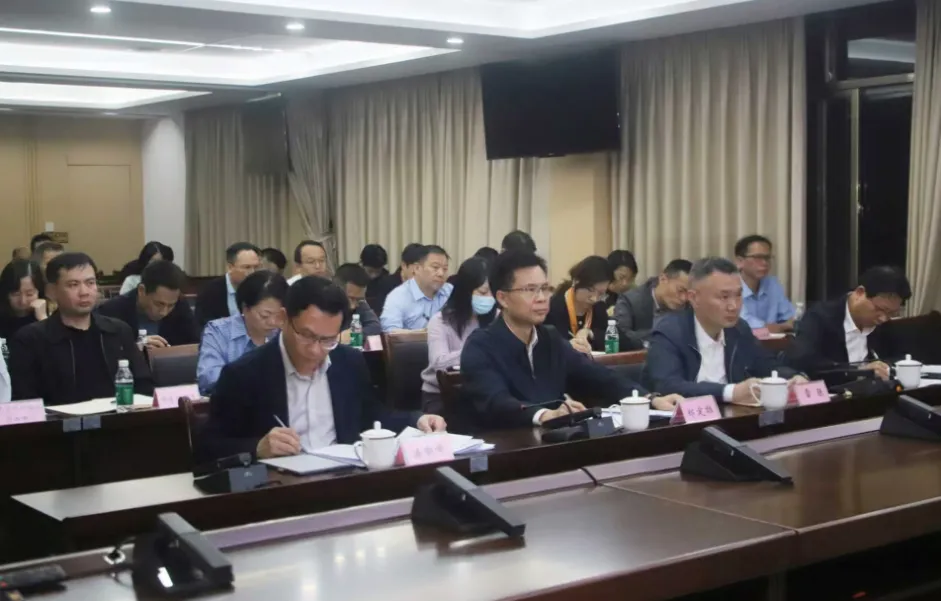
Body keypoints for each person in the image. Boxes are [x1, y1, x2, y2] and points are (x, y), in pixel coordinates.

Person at [200, 276, 446, 461]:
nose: (316, 350)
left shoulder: (348, 362)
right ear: (284, 319)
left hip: (343, 477)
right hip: (279, 488)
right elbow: (207, 449)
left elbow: (371, 416)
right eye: (307, 336)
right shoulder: (245, 374)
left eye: (328, 339)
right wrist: (257, 448)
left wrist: (417, 419)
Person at [460, 251, 680, 429]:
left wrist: (650, 398)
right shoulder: (480, 346)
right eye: (530, 290)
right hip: (506, 451)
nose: (541, 298)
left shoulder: (549, 338)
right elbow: (496, 402)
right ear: (503, 298)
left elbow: (600, 377)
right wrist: (545, 415)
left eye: (545, 289)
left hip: (554, 442)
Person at [644, 257, 803, 403]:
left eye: (738, 295)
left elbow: (766, 365)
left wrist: (793, 377)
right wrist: (731, 392)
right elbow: (668, 386)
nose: (733, 306)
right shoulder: (669, 332)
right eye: (724, 297)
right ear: (694, 298)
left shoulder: (739, 329)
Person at [10, 253, 153, 405]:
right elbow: (25, 400)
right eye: (73, 285)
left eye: (90, 283)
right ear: (51, 291)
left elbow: (144, 388)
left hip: (117, 417)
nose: (84, 292)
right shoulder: (30, 340)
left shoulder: (118, 331)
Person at [788, 266, 911, 382]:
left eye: (891, 313)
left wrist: (887, 367)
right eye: (879, 309)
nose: (883, 318)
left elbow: (900, 357)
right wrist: (858, 371)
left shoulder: (884, 324)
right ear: (860, 293)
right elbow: (804, 362)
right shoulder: (819, 317)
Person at [197, 270, 288, 395]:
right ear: (245, 308)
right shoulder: (218, 331)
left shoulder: (285, 332)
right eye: (265, 315)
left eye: (279, 316)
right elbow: (209, 380)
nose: (273, 322)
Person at [421, 257, 497, 400]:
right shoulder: (440, 321)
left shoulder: (499, 318)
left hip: (487, 393)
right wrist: (476, 351)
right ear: (465, 291)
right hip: (443, 395)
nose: (489, 298)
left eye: (493, 293)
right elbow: (439, 364)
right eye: (483, 292)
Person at [97, 260, 198, 349]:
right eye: (159, 304)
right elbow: (104, 352)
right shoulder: (112, 311)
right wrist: (135, 349)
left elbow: (194, 345)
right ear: (141, 291)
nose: (164, 312)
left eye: (170, 305)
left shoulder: (180, 307)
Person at [615, 259, 692, 351]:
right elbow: (620, 336)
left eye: (689, 293)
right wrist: (662, 332)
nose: (684, 298)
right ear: (663, 279)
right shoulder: (630, 300)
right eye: (680, 290)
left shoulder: (689, 306)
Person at [546, 256, 613, 354]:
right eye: (590, 290)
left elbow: (623, 341)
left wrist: (591, 333)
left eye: (601, 294)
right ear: (576, 281)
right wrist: (566, 346)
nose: (594, 298)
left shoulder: (598, 307)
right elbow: (544, 344)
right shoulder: (553, 307)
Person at [380, 245, 452, 332]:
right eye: (435, 267)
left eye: (445, 269)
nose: (441, 273)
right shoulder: (398, 296)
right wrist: (423, 334)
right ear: (417, 268)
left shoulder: (450, 291)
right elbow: (391, 332)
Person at [735, 235, 795, 332]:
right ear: (740, 262)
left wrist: (779, 327)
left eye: (767, 258)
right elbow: (741, 324)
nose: (764, 263)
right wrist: (776, 327)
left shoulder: (772, 284)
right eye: (757, 257)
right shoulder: (730, 286)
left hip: (775, 340)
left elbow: (790, 318)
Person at [195, 242, 261, 328]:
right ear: (230, 267)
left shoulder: (263, 288)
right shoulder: (210, 292)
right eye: (247, 267)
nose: (252, 272)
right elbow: (203, 326)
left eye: (256, 267)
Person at [369, 242, 424, 315]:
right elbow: (380, 313)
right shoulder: (386, 284)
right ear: (404, 265)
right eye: (416, 268)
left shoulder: (425, 285)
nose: (419, 273)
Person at [0, 260, 48, 340]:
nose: (23, 301)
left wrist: (43, 319)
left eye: (29, 294)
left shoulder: (50, 317)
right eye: (15, 294)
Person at [332, 264, 381, 342]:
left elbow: (375, 327)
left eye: (358, 299)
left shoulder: (360, 304)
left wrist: (354, 335)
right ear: (336, 290)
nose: (353, 306)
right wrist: (336, 340)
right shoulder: (321, 306)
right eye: (351, 298)